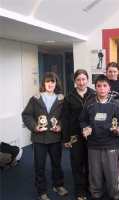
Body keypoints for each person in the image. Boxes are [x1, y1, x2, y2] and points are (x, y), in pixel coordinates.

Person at [22, 72, 68, 200]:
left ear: (56, 84)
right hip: (39, 138)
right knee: (39, 165)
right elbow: (26, 115)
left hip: (54, 137)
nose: (50, 84)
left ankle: (58, 185)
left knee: (57, 163)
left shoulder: (61, 99)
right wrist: (34, 126)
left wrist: (60, 126)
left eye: (52, 82)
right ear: (44, 84)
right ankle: (41, 191)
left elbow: (65, 117)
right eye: (47, 82)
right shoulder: (35, 99)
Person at [80, 74, 119, 200]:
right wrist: (86, 128)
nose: (102, 89)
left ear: (109, 88)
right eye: (99, 86)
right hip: (93, 145)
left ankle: (115, 194)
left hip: (111, 144)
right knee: (95, 173)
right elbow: (82, 120)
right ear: (95, 88)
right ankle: (96, 194)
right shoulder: (89, 104)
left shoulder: (116, 104)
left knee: (112, 173)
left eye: (104, 86)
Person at [62, 69, 95, 200]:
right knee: (77, 163)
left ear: (87, 80)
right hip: (75, 135)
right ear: (74, 81)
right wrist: (65, 138)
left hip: (91, 135)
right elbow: (65, 118)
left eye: (83, 79)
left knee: (90, 163)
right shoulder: (69, 97)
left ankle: (89, 187)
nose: (81, 82)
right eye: (78, 80)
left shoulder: (94, 94)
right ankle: (80, 190)